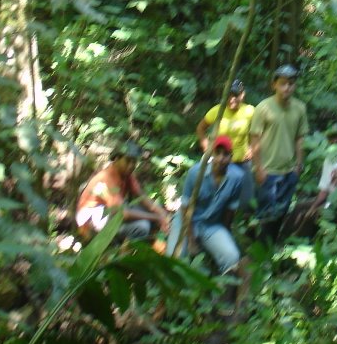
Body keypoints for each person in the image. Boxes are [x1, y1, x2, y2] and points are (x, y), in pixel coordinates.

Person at [166, 135, 246, 273]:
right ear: (211, 154)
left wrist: (226, 235)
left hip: (211, 224)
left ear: (231, 157)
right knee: (174, 260)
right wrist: (191, 241)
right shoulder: (196, 172)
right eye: (218, 153)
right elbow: (185, 208)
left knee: (232, 258)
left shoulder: (237, 177)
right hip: (187, 222)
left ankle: (222, 288)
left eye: (225, 154)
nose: (221, 159)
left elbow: (230, 210)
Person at [250, 64, 309, 239]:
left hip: (289, 171)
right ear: (274, 85)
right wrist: (258, 168)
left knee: (282, 212)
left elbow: (300, 138)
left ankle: (272, 249)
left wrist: (299, 164)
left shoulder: (300, 108)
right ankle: (260, 253)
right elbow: (255, 139)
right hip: (268, 172)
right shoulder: (263, 107)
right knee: (265, 216)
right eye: (283, 83)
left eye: (291, 83)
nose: (287, 87)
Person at [76, 142, 169, 241]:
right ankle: (124, 248)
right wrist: (156, 217)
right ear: (116, 159)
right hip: (92, 223)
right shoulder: (107, 178)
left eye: (134, 162)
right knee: (142, 226)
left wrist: (162, 214)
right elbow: (123, 214)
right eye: (128, 161)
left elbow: (140, 196)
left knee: (156, 210)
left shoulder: (126, 175)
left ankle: (155, 240)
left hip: (111, 214)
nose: (131, 166)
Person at [196, 78, 255, 206]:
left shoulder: (250, 111)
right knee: (217, 195)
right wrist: (205, 143)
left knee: (246, 198)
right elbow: (201, 128)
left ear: (242, 95)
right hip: (220, 161)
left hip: (242, 160)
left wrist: (252, 148)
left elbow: (258, 132)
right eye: (229, 95)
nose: (232, 99)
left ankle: (242, 220)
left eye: (236, 95)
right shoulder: (217, 110)